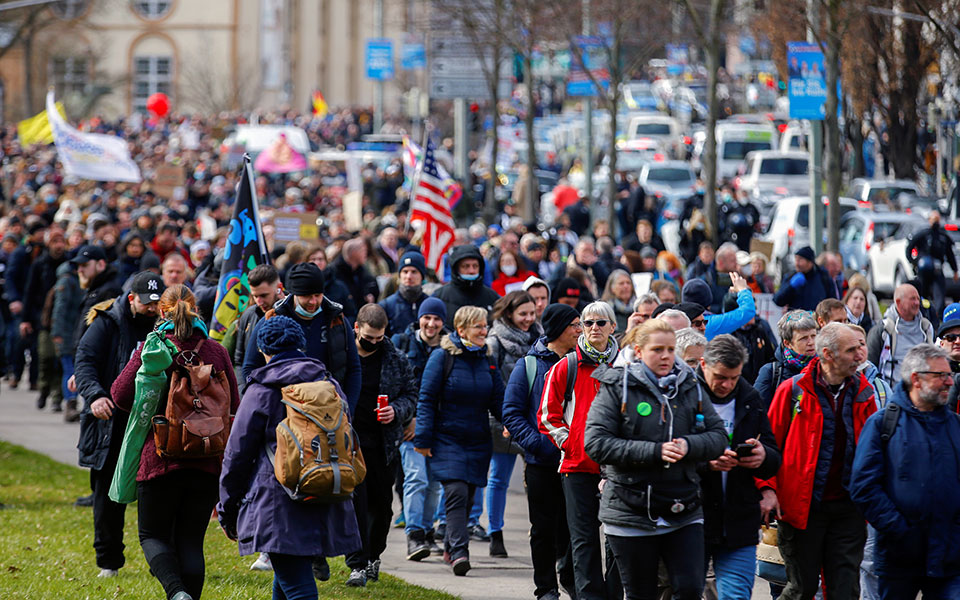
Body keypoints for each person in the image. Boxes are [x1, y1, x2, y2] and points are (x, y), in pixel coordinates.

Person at [109, 284, 239, 600]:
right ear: (195, 310)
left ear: (162, 312)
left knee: (153, 535)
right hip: (207, 459)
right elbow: (234, 402)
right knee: (191, 541)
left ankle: (176, 592)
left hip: (160, 458)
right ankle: (187, 596)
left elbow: (120, 395)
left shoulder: (153, 347)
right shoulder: (216, 351)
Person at [584, 319, 728, 600]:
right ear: (638, 351)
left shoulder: (690, 385)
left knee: (689, 589)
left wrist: (689, 445)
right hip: (630, 509)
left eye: (671, 349)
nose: (665, 356)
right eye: (657, 349)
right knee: (641, 594)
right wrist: (654, 451)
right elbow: (596, 443)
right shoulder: (617, 386)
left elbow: (718, 436)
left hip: (683, 507)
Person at [758, 322, 877, 600]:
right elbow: (769, 443)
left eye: (860, 347)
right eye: (852, 350)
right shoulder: (792, 390)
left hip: (849, 509)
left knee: (845, 590)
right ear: (828, 354)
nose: (860, 355)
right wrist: (767, 489)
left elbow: (873, 451)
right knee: (802, 588)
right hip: (803, 511)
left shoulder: (864, 392)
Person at [850, 344, 960, 599]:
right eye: (940, 375)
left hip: (950, 557)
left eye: (949, 374)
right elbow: (863, 486)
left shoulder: (954, 426)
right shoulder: (882, 424)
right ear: (916, 380)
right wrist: (900, 530)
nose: (948, 382)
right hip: (899, 557)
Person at [74, 271, 165, 578]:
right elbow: (85, 361)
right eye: (146, 303)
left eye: (157, 303)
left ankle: (162, 559)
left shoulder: (165, 326)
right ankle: (108, 560)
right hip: (110, 423)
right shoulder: (106, 323)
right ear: (131, 299)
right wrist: (95, 396)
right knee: (107, 495)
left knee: (156, 493)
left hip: (154, 422)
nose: (152, 309)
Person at [414, 305, 506, 576]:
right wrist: (423, 438)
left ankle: (449, 545)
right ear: (462, 329)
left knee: (468, 497)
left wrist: (512, 425)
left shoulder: (487, 359)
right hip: (446, 438)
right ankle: (459, 551)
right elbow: (427, 399)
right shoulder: (442, 357)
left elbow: (499, 400)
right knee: (456, 491)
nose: (484, 331)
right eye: (478, 326)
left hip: (477, 439)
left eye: (485, 326)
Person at [539, 302, 620, 600]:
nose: (594, 328)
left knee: (617, 538)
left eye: (601, 322)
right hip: (576, 467)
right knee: (583, 540)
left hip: (618, 469)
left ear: (613, 326)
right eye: (588, 323)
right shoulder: (567, 365)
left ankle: (615, 594)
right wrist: (570, 443)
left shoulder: (625, 366)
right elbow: (548, 415)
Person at [503, 303, 582, 600]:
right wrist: (538, 444)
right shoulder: (530, 365)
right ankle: (546, 587)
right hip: (542, 462)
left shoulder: (584, 362)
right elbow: (511, 412)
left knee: (575, 527)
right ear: (559, 329)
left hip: (576, 462)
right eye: (575, 325)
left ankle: (571, 578)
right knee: (543, 529)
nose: (580, 330)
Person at [696, 335, 782, 600]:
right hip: (693, 518)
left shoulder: (749, 397)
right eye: (721, 377)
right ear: (703, 365)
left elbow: (772, 453)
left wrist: (762, 457)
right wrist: (706, 462)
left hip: (738, 519)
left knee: (736, 596)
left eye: (733, 378)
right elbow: (667, 453)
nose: (727, 385)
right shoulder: (686, 396)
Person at [343, 304, 417, 586]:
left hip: (383, 444)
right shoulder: (344, 356)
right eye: (368, 337)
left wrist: (396, 411)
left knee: (382, 506)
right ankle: (357, 564)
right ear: (357, 328)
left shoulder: (395, 358)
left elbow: (411, 394)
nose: (373, 343)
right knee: (356, 503)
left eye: (379, 337)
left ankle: (373, 556)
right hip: (348, 442)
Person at [241, 263, 362, 413]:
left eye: (317, 295)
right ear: (294, 295)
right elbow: (250, 368)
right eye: (307, 296)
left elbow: (354, 369)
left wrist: (347, 409)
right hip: (286, 414)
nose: (313, 302)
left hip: (329, 413)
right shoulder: (272, 320)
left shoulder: (336, 320)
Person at [391, 297, 446, 561]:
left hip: (439, 427)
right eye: (427, 318)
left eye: (437, 319)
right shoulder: (402, 344)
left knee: (435, 484)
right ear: (419, 319)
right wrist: (407, 419)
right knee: (416, 478)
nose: (431, 324)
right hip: (410, 426)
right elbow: (395, 386)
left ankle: (426, 532)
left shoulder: (449, 349)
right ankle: (414, 534)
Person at [484, 291, 538, 557]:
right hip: (503, 418)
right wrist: (506, 417)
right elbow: (493, 386)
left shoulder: (539, 339)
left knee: (536, 479)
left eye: (532, 313)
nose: (529, 319)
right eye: (523, 314)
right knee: (499, 478)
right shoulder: (495, 342)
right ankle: (495, 531)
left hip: (534, 419)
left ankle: (538, 529)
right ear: (508, 314)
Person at [24, 227, 68, 410]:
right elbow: (30, 291)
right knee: (46, 357)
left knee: (60, 361)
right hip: (43, 319)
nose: (58, 246)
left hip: (64, 321)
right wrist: (25, 319)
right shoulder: (40, 264)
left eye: (61, 241)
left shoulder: (69, 265)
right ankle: (43, 388)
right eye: (55, 242)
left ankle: (57, 397)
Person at [867, 283, 934, 386]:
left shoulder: (926, 328)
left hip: (920, 393)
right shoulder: (883, 330)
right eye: (912, 299)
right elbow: (870, 368)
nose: (917, 303)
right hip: (890, 396)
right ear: (898, 303)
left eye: (918, 299)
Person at [231, 264, 283, 387]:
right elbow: (239, 360)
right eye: (255, 296)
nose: (259, 302)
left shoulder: (293, 314)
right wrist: (243, 391)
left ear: (278, 288)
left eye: (264, 295)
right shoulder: (249, 315)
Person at [755, 310, 819, 408]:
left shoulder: (823, 368)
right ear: (787, 343)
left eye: (813, 336)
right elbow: (758, 412)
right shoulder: (771, 372)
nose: (811, 342)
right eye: (804, 338)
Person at [906, 211, 959, 319]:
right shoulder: (923, 234)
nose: (935, 222)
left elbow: (950, 255)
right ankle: (921, 315)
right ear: (929, 220)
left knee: (939, 296)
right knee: (921, 296)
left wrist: (955, 271)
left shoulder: (943, 237)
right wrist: (914, 262)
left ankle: (937, 317)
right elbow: (910, 247)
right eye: (933, 219)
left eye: (937, 219)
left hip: (937, 271)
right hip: (923, 271)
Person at [432, 245, 500, 328]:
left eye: (475, 266)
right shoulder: (440, 296)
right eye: (466, 266)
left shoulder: (492, 297)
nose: (471, 271)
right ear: (456, 269)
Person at [681, 272, 756, 340]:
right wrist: (742, 290)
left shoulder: (678, 322)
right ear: (709, 302)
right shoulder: (711, 324)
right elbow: (747, 311)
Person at [378, 251, 428, 336]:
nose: (409, 277)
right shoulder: (386, 306)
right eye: (405, 271)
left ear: (422, 276)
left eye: (414, 272)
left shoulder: (429, 304)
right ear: (399, 275)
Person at [773, 246, 838, 312]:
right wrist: (790, 287)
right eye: (796, 259)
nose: (797, 263)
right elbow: (778, 301)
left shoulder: (823, 277)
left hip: (816, 320)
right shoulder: (791, 277)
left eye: (800, 260)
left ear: (810, 262)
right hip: (796, 320)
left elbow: (832, 302)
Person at [331, 238, 380, 308]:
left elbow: (371, 284)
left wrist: (369, 294)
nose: (366, 254)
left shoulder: (361, 270)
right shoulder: (335, 272)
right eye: (363, 251)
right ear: (354, 252)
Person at [602, 269, 637, 334]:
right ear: (612, 288)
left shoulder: (638, 308)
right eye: (621, 283)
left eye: (628, 283)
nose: (626, 286)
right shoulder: (605, 311)